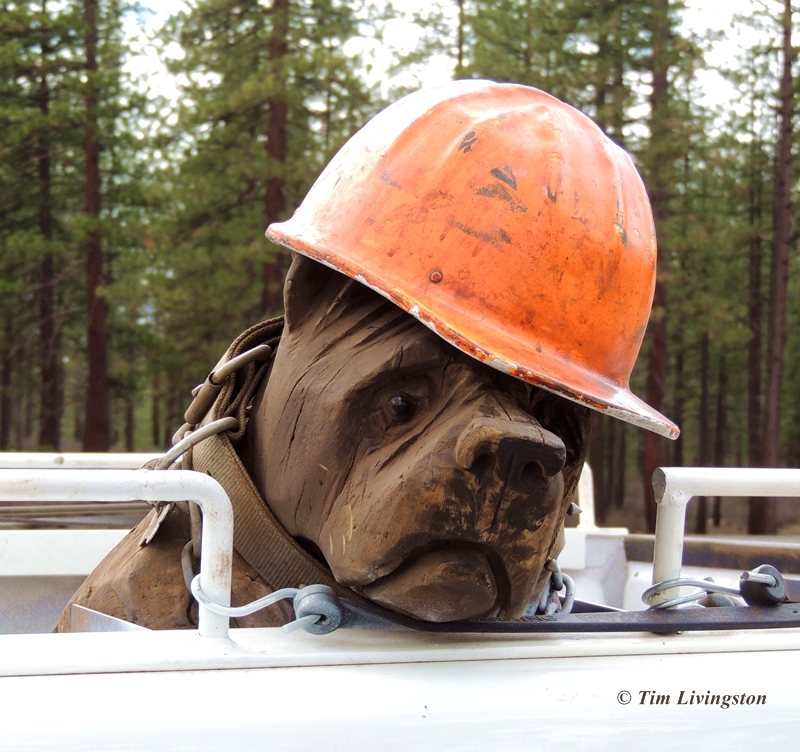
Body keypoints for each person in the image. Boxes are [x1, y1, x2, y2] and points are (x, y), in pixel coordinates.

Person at [57, 80, 678, 632]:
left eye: (551, 438)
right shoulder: (128, 641)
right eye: (404, 404)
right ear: (313, 293)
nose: (514, 456)